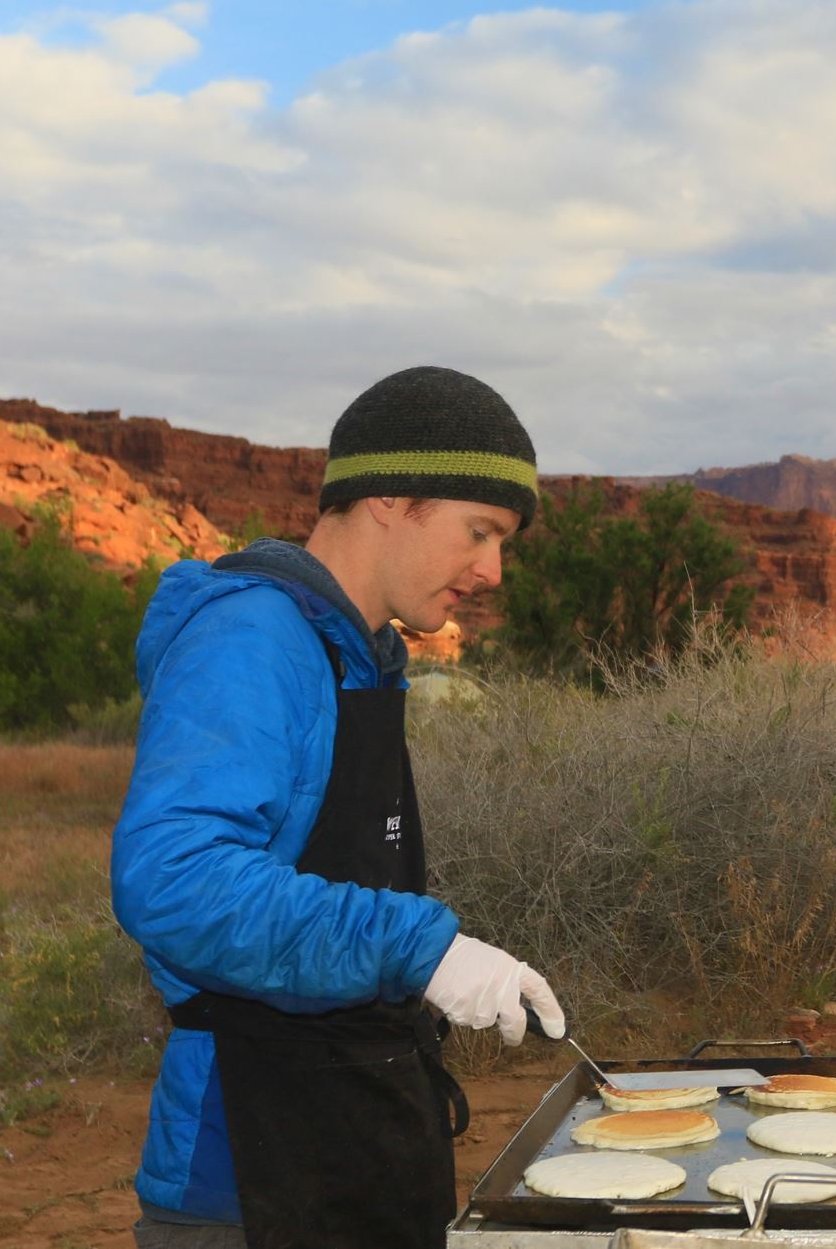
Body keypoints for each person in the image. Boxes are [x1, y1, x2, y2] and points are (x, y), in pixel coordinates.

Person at [111, 367, 567, 1249]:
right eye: (479, 532)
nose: (492, 570)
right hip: (249, 1176)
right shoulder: (252, 639)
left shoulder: (364, 655)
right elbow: (173, 879)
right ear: (392, 497)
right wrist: (418, 949)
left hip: (359, 1143)